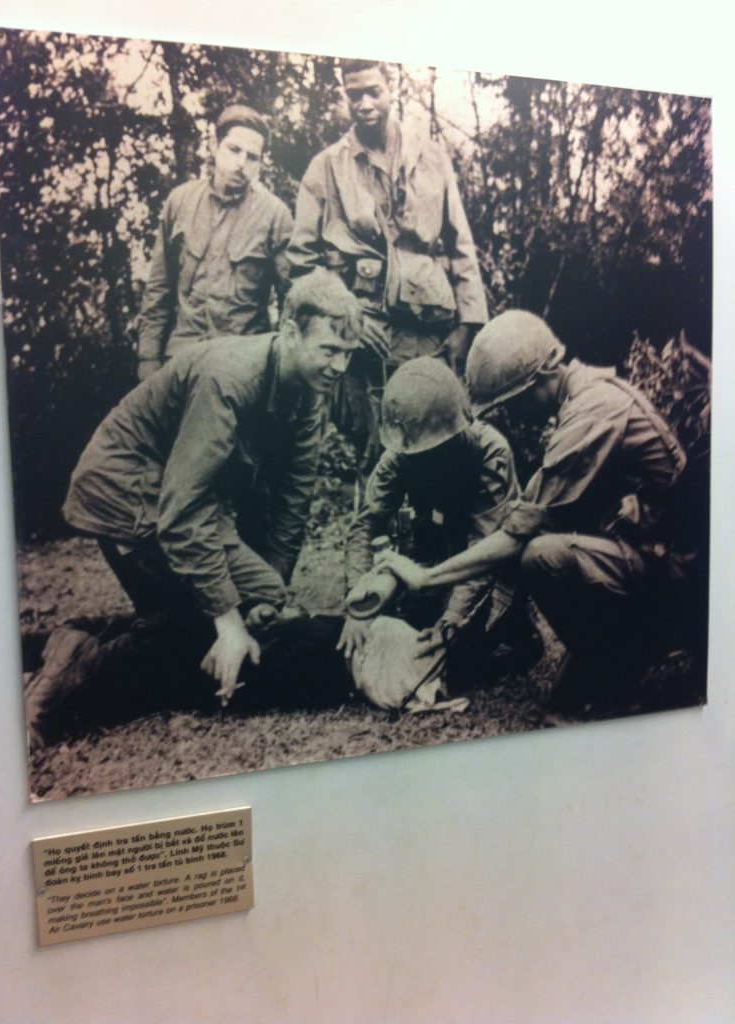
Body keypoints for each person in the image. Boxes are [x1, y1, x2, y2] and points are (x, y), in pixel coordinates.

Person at [27, 270, 362, 745]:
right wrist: (227, 621)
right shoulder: (227, 377)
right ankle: (71, 679)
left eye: (347, 354)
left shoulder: (311, 392)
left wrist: (268, 596)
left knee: (263, 601)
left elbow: (293, 501)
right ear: (290, 332)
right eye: (329, 350)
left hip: (185, 500)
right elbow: (182, 512)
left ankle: (75, 638)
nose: (339, 367)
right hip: (124, 492)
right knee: (195, 632)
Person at [378, 310, 689, 712]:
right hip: (655, 559)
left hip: (680, 579)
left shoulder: (594, 410)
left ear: (539, 380)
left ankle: (619, 674)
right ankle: (611, 663)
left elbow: (518, 534)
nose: (511, 414)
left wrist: (426, 578)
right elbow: (532, 513)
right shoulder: (587, 398)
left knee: (541, 556)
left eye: (512, 401)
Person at [287, 59, 488, 471]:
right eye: (353, 94)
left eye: (372, 91)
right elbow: (302, 263)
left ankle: (434, 531)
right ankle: (377, 532)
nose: (363, 103)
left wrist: (468, 326)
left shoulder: (431, 157)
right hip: (365, 336)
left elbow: (460, 243)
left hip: (427, 332)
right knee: (377, 452)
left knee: (437, 439)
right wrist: (349, 314)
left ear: (391, 87)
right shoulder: (325, 168)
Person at [338, 357, 539, 697]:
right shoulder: (400, 454)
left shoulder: (490, 452)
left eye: (435, 447)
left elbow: (484, 554)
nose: (424, 457)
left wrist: (450, 625)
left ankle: (516, 630)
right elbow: (365, 527)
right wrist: (357, 605)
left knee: (455, 663)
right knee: (403, 637)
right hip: (435, 567)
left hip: (489, 570)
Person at [136, 104, 294, 379]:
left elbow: (291, 300)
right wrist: (148, 358)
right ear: (215, 145)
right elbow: (159, 290)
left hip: (242, 366)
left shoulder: (275, 216)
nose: (241, 163)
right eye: (234, 150)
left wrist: (278, 368)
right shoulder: (180, 202)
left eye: (252, 157)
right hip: (180, 360)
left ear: (260, 163)